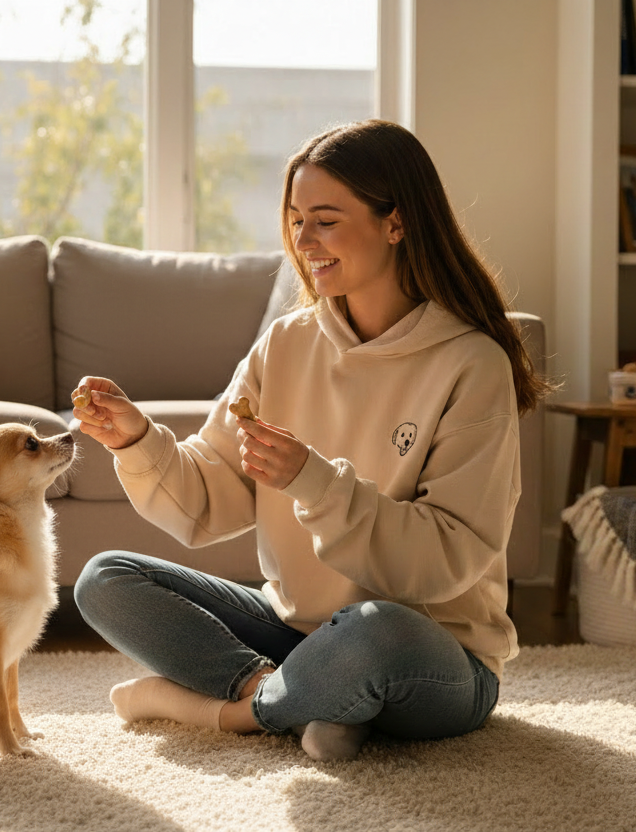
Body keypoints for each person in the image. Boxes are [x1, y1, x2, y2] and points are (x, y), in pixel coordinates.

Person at [71, 119, 552, 761]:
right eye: (297, 219)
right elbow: (211, 499)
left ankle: (229, 713)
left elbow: (448, 558)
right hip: (295, 629)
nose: (304, 239)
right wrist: (136, 441)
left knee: (375, 631)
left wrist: (314, 482)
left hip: (432, 651)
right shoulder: (288, 342)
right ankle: (296, 698)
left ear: (397, 223)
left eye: (325, 218)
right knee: (107, 579)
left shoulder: (472, 364)